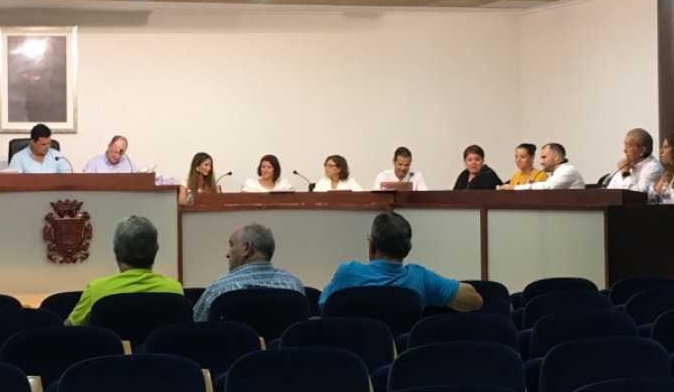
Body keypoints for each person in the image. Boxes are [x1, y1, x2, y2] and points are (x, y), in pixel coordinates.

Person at [319, 212, 483, 311]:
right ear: (408, 249)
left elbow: (323, 307)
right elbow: (474, 300)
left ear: (372, 245)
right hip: (403, 357)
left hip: (355, 355)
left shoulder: (347, 273)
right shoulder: (421, 278)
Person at [65, 215, 183, 326]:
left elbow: (67, 331)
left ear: (116, 251)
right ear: (156, 250)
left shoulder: (96, 290)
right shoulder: (175, 290)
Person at [192, 223, 306, 321]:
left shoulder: (219, 289)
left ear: (247, 248)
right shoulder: (294, 285)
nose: (227, 254)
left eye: (231, 245)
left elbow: (194, 330)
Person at [500, 143, 585, 190]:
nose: (541, 162)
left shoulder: (567, 170)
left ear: (555, 157)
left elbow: (547, 187)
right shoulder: (555, 174)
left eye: (544, 157)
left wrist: (514, 187)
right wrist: (535, 184)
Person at [606, 128, 663, 192]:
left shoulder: (654, 168)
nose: (624, 150)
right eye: (624, 145)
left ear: (642, 150)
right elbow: (608, 192)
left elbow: (639, 194)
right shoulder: (627, 165)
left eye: (628, 146)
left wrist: (625, 173)